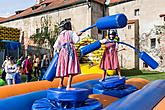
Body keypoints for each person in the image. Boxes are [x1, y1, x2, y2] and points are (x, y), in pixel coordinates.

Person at [53, 19, 83, 90]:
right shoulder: (71, 33)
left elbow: (56, 45)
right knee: (71, 67)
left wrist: (58, 51)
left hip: (63, 52)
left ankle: (60, 84)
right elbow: (76, 40)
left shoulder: (60, 35)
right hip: (70, 52)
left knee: (63, 67)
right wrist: (78, 35)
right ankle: (68, 86)